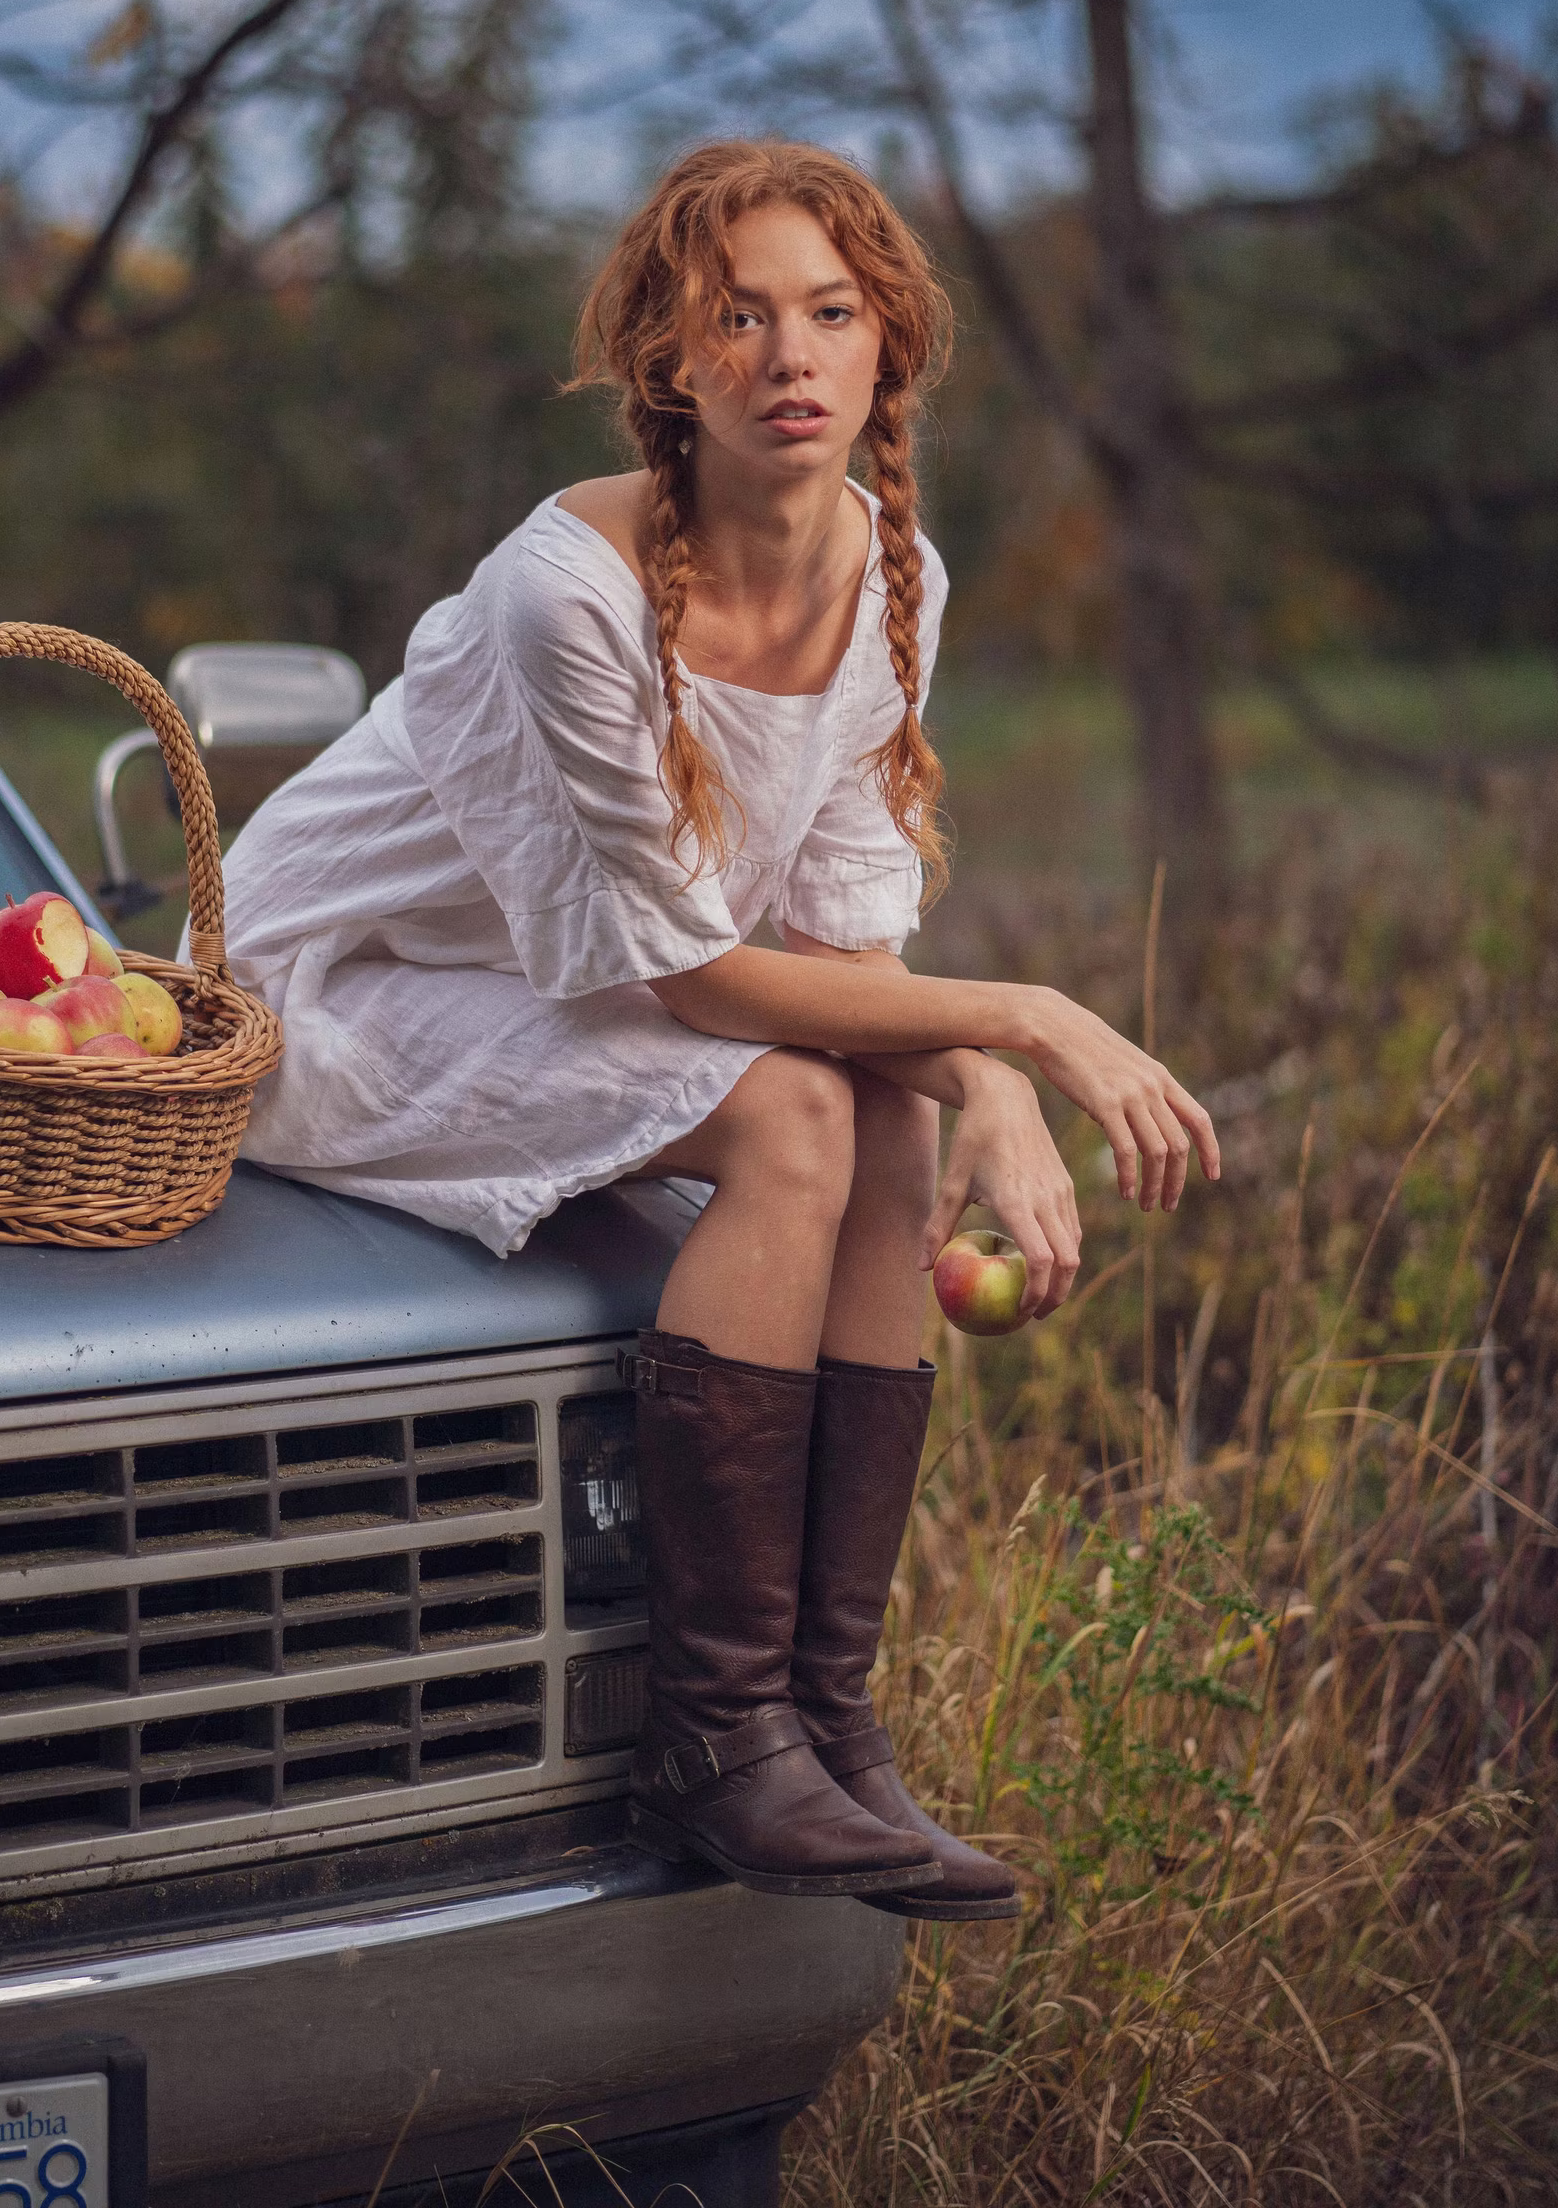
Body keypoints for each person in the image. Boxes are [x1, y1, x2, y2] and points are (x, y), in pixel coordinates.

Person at [217, 138, 1220, 1920]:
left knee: (886, 1116)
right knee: (790, 1118)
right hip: (335, 989)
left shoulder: (890, 572)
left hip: (557, 982)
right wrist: (1032, 1022)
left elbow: (843, 947)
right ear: (664, 363)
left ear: (887, 343)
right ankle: (715, 1739)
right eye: (737, 317)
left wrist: (976, 1083)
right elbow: (695, 983)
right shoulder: (568, 594)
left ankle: (824, 1725)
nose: (790, 357)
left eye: (831, 313)